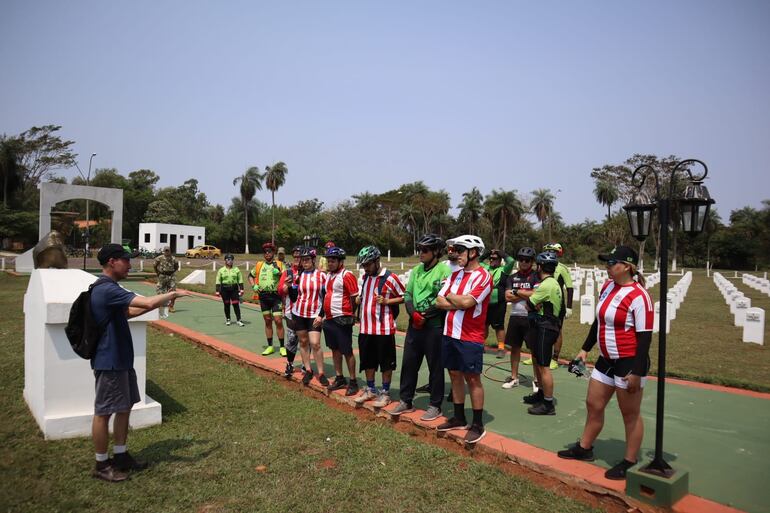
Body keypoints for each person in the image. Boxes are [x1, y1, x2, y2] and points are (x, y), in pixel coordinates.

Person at [90, 243, 192, 482]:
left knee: (124, 407)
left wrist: (159, 303)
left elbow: (129, 313)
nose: (130, 264)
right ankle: (101, 463)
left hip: (121, 359)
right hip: (109, 360)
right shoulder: (106, 289)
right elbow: (144, 303)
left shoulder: (111, 289)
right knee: (104, 412)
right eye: (126, 260)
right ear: (112, 262)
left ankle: (121, 455)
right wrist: (173, 294)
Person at [558, 246, 653, 480]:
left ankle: (629, 460)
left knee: (629, 413)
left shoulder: (639, 296)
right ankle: (585, 448)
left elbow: (645, 337)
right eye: (607, 263)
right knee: (593, 404)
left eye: (611, 263)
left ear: (627, 267)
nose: (607, 267)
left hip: (628, 362)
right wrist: (584, 349)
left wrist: (637, 372)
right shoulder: (608, 286)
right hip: (606, 359)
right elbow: (598, 322)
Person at [435, 235, 492, 444]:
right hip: (450, 333)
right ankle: (459, 417)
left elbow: (468, 302)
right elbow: (438, 301)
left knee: (473, 379)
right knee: (455, 374)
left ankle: (477, 424)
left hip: (470, 336)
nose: (455, 254)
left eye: (460, 250)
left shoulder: (483, 276)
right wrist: (456, 301)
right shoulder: (456, 275)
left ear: (473, 252)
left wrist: (452, 297)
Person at [390, 234, 451, 421]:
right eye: (420, 249)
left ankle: (435, 405)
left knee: (435, 366)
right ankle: (406, 400)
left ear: (436, 252)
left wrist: (425, 315)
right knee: (409, 364)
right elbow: (407, 295)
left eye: (425, 250)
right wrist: (413, 314)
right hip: (414, 325)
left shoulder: (444, 271)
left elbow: (445, 298)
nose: (421, 253)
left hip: (434, 326)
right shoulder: (416, 270)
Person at [353, 245, 405, 408]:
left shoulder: (390, 277)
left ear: (377, 261)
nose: (365, 268)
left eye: (368, 264)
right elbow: (366, 296)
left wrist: (388, 301)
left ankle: (385, 392)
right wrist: (359, 300)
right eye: (363, 265)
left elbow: (404, 296)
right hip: (366, 328)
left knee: (385, 362)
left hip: (383, 329)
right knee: (368, 361)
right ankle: (370, 389)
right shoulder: (366, 278)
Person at [523, 251, 563, 415]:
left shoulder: (546, 285)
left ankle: (548, 404)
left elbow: (529, 305)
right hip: (550, 326)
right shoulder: (553, 283)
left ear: (539, 266)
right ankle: (541, 394)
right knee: (540, 363)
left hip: (546, 327)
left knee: (544, 366)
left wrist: (530, 303)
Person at [524, 242, 573, 369]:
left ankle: (555, 358)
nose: (551, 253)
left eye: (554, 251)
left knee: (556, 330)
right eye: (549, 250)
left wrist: (569, 307)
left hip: (555, 303)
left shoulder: (562, 268)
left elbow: (570, 288)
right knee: (536, 329)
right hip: (539, 301)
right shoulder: (540, 268)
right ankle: (534, 355)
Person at [321, 246, 360, 395]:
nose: (330, 263)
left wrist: (351, 315)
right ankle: (339, 377)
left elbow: (354, 297)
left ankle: (353, 381)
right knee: (334, 349)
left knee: (347, 351)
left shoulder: (347, 275)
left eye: (333, 261)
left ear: (340, 261)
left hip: (342, 318)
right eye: (328, 261)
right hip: (329, 318)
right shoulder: (329, 275)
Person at [501, 247, 539, 389]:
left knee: (534, 351)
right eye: (521, 259)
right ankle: (514, 377)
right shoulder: (512, 277)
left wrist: (516, 293)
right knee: (515, 349)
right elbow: (507, 296)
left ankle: (536, 380)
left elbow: (536, 294)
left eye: (527, 260)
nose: (523, 262)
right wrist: (526, 293)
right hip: (515, 317)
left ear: (532, 262)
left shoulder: (536, 276)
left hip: (531, 317)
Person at [291, 247, 329, 387]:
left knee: (315, 343)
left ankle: (321, 373)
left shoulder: (322, 276)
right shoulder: (298, 276)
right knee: (303, 342)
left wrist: (321, 315)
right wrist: (290, 287)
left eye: (307, 259)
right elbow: (294, 296)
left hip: (314, 315)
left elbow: (326, 297)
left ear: (313, 260)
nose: (304, 262)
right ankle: (308, 369)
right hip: (299, 313)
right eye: (303, 259)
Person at [248, 242, 286, 356]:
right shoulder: (259, 265)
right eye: (265, 252)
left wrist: (279, 273)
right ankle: (270, 346)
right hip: (263, 296)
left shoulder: (279, 264)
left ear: (273, 253)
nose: (267, 254)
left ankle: (282, 347)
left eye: (269, 251)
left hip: (276, 296)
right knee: (268, 320)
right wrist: (253, 285)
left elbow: (287, 277)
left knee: (278, 321)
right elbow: (250, 275)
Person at [481, 249, 516, 358]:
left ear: (500, 260)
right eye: (490, 258)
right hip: (484, 303)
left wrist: (500, 252)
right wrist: (488, 253)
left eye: (495, 258)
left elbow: (511, 261)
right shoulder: (485, 267)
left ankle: (501, 348)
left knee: (499, 327)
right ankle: (481, 344)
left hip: (499, 303)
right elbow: (478, 260)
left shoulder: (504, 269)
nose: (491, 260)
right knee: (483, 325)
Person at [277, 246, 302, 378]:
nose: (297, 258)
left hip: (307, 311)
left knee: (306, 340)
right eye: (295, 255)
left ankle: (305, 365)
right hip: (291, 310)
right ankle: (290, 363)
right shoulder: (288, 272)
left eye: (300, 255)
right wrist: (287, 286)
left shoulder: (307, 272)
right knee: (292, 338)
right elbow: (280, 290)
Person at [215, 254, 244, 326]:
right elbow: (218, 280)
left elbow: (240, 280)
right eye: (228, 259)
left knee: (235, 304)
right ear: (225, 261)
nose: (230, 261)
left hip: (234, 289)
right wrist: (217, 290)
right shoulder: (221, 270)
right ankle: (228, 319)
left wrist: (242, 289)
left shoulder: (236, 269)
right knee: (227, 304)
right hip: (224, 289)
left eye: (231, 259)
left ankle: (239, 320)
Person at [153, 246, 179, 319]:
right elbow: (154, 265)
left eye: (168, 251)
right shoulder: (159, 258)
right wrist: (158, 273)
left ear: (170, 251)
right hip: (162, 275)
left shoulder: (173, 258)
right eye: (166, 251)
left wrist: (172, 273)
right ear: (164, 251)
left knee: (173, 292)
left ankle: (171, 306)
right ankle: (161, 306)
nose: (167, 252)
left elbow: (176, 266)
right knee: (160, 291)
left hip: (171, 276)